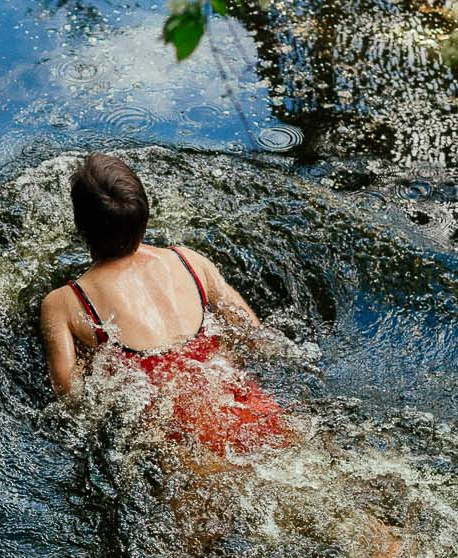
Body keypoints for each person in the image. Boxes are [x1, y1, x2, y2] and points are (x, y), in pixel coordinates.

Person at [40, 154, 286, 454]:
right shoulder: (190, 262)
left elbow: (71, 401)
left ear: (81, 226)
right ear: (144, 215)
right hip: (246, 403)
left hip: (179, 436)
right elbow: (253, 334)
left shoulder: (64, 302)